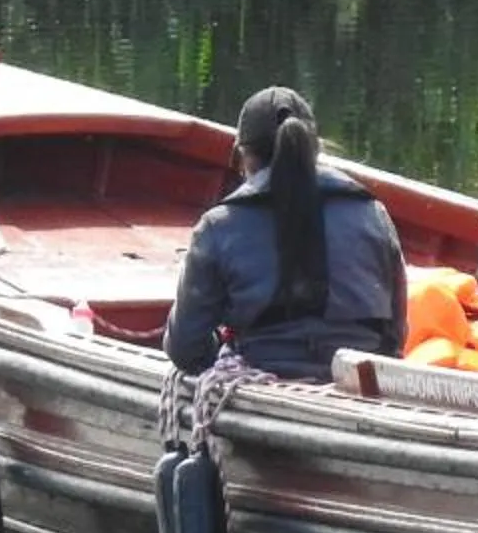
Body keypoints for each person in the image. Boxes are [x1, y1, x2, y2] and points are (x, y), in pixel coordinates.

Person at [166, 86, 407, 381]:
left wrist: (221, 353)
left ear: (245, 156)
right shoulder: (373, 213)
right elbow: (396, 335)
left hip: (265, 377)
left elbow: (184, 348)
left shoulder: (218, 226)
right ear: (313, 149)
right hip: (359, 382)